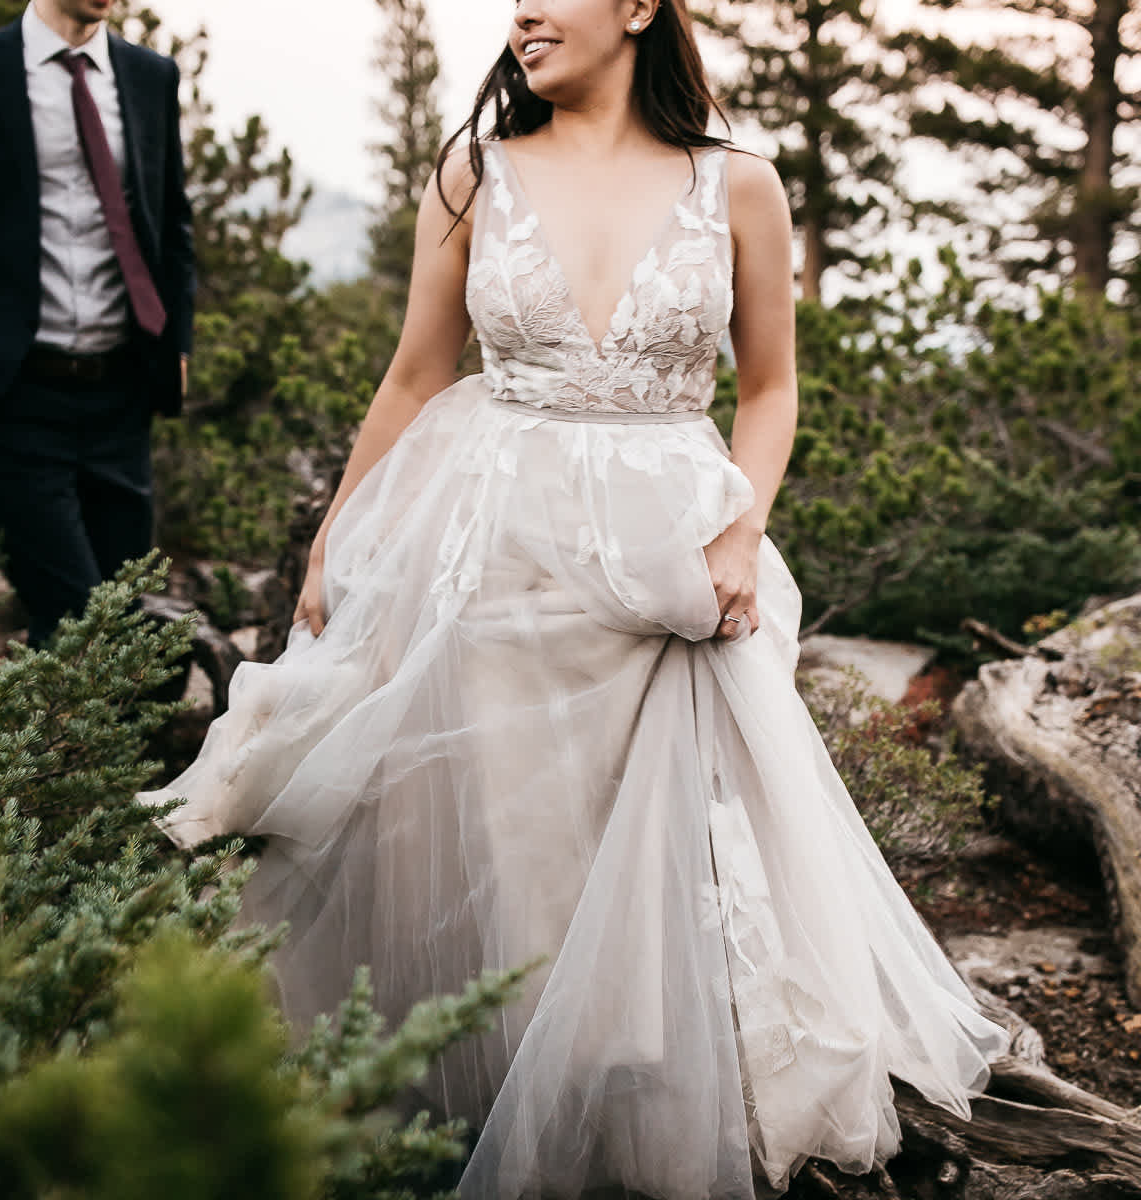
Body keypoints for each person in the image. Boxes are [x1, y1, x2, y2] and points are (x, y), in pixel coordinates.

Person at [138, 2, 1006, 1195]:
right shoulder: (473, 171)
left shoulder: (739, 184)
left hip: (670, 551)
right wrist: (338, 533)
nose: (523, 15)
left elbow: (769, 390)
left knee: (664, 850)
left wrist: (742, 530)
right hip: (489, 536)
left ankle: (644, 1120)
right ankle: (510, 1118)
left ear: (640, 6)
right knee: (514, 845)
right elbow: (413, 374)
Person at [0, 0, 194, 648]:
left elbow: (172, 224)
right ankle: (44, 746)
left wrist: (177, 346)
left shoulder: (151, 75)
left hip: (121, 392)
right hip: (13, 391)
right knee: (70, 610)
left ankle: (83, 747)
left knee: (120, 605)